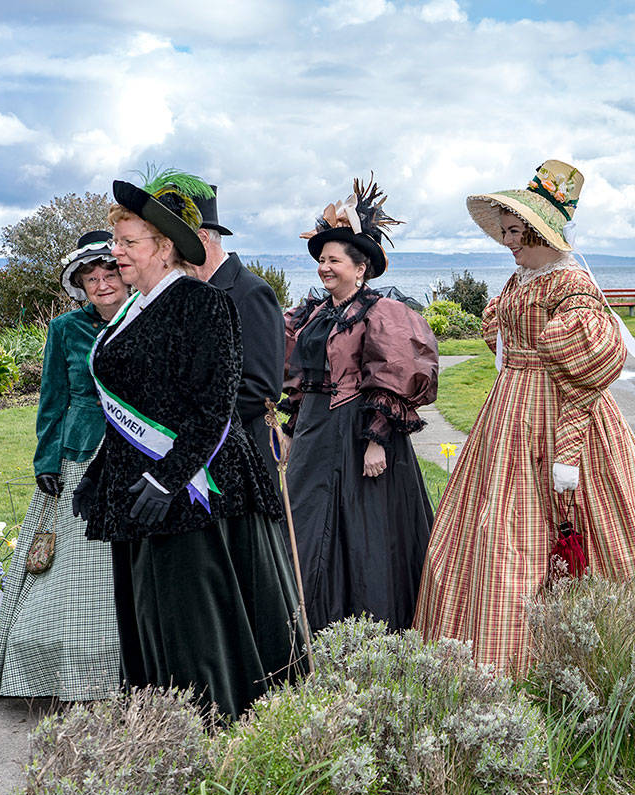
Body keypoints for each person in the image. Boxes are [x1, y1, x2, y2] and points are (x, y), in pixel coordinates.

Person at [413, 160, 635, 674]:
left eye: (515, 232)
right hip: (508, 414)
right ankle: (491, 661)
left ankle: (609, 653)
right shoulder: (524, 279)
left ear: (540, 230)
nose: (507, 241)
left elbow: (591, 364)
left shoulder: (571, 285)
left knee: (585, 523)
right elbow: (505, 337)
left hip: (560, 410)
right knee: (498, 529)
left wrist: (550, 346)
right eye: (506, 231)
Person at [72, 169, 303, 720]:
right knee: (149, 620)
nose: (117, 254)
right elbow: (130, 405)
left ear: (165, 247)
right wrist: (100, 474)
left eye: (129, 243)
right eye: (116, 242)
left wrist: (166, 477)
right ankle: (159, 731)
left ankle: (213, 729)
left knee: (189, 623)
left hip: (193, 496)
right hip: (140, 494)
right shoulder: (133, 308)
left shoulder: (202, 304)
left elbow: (215, 405)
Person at [281, 177, 438, 634]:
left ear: (360, 267)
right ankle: (305, 629)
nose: (324, 268)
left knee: (364, 533)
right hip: (315, 435)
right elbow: (302, 377)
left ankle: (368, 631)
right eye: (322, 260)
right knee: (306, 524)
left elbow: (391, 376)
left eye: (334, 260)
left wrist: (377, 441)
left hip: (358, 433)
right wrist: (291, 429)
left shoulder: (381, 312)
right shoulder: (311, 313)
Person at [0, 231, 125, 702]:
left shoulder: (145, 316)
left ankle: (128, 663)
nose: (102, 283)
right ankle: (59, 667)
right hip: (80, 454)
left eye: (110, 272)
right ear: (80, 284)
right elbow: (53, 399)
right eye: (91, 277)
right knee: (70, 568)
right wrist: (47, 459)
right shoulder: (65, 329)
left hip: (135, 455)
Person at [185, 185, 285, 490]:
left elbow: (263, 387)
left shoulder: (251, 292)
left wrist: (197, 424)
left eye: (175, 242)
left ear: (201, 238)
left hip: (244, 453)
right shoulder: (192, 293)